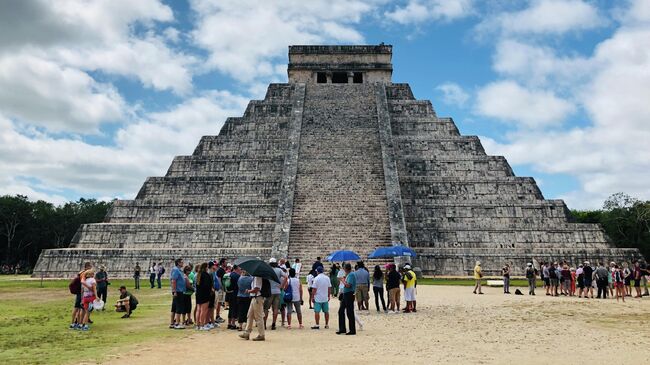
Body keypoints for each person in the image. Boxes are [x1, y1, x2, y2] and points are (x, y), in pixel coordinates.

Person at [239, 274, 267, 341]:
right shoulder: (255, 277)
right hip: (255, 298)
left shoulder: (257, 277)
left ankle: (261, 334)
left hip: (257, 298)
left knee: (258, 316)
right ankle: (247, 332)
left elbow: (256, 289)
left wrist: (249, 291)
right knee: (250, 315)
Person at [264, 258, 284, 330]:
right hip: (277, 291)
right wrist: (282, 286)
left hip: (269, 291)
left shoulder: (268, 270)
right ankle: (273, 323)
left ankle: (264, 323)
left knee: (266, 308)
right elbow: (286, 276)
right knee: (275, 309)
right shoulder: (279, 270)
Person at [337, 263, 356, 335]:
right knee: (341, 311)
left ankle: (352, 330)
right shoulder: (349, 275)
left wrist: (343, 280)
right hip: (346, 294)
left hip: (349, 294)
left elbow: (348, 285)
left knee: (349, 312)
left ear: (345, 269)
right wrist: (344, 279)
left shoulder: (351, 275)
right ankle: (342, 328)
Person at [194, 262, 213, 330]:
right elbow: (207, 285)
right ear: (205, 267)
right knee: (203, 310)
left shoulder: (198, 274)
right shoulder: (206, 275)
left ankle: (197, 325)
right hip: (205, 294)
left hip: (199, 294)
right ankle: (202, 325)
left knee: (198, 309)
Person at [170, 258, 187, 329]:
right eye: (182, 262)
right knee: (178, 307)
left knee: (174, 307)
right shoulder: (176, 270)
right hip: (178, 291)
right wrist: (174, 291)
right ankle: (177, 323)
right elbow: (174, 280)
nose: (183, 263)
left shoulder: (179, 270)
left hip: (179, 290)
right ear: (178, 263)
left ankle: (172, 323)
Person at [226, 265, 241, 330]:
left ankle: (229, 323)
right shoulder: (237, 276)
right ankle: (233, 324)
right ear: (236, 268)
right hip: (235, 294)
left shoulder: (229, 275)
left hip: (229, 293)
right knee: (235, 309)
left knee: (230, 309)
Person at [215, 258, 227, 324]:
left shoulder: (222, 270)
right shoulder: (220, 270)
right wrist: (221, 287)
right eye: (225, 262)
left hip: (221, 288)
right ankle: (217, 316)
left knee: (220, 302)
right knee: (219, 302)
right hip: (220, 289)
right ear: (222, 263)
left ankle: (218, 315)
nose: (226, 263)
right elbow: (219, 279)